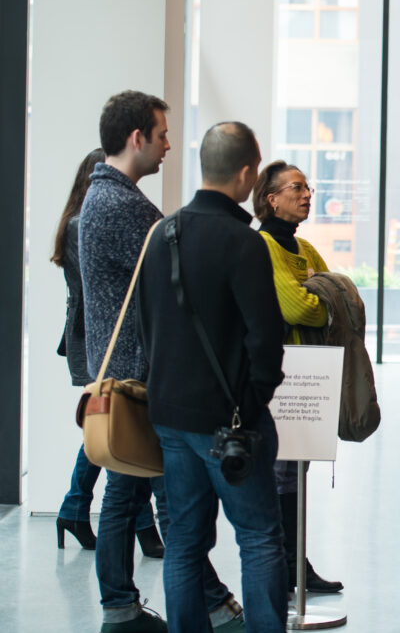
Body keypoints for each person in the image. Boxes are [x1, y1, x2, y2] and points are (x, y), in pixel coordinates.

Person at [79, 91, 241, 632]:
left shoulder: (99, 198)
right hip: (141, 376)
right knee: (174, 501)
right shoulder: (125, 207)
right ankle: (210, 605)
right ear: (136, 138)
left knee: (131, 492)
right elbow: (182, 272)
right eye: (162, 133)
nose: (170, 144)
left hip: (122, 372)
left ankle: (122, 606)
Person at [137, 121, 289, 632]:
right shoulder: (244, 244)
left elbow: (145, 325)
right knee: (259, 537)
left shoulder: (162, 234)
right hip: (231, 424)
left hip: (170, 417)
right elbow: (266, 342)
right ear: (247, 173)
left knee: (184, 538)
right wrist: (253, 400)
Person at [53, 148, 165, 558]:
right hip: (94, 337)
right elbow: (99, 293)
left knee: (110, 426)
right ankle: (138, 525)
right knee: (114, 425)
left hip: (96, 336)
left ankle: (75, 509)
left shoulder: (81, 220)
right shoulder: (83, 223)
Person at [250, 160, 343, 594]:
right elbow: (300, 308)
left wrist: (317, 292)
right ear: (272, 199)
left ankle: (294, 562)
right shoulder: (264, 245)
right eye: (297, 188)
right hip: (279, 378)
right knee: (281, 474)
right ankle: (283, 564)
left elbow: (339, 293)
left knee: (297, 471)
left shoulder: (304, 250)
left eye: (308, 187)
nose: (307, 195)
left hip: (309, 374)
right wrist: (316, 294)